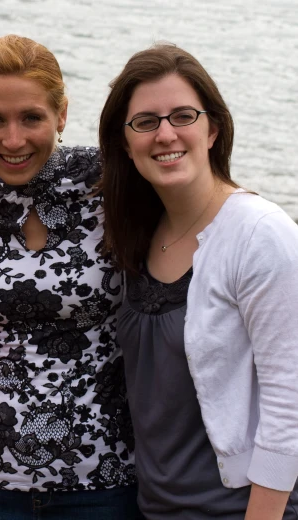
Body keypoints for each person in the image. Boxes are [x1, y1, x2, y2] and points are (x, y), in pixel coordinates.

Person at [0, 35, 141, 518]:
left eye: (32, 118)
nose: (13, 140)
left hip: (101, 472)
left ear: (61, 114)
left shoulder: (115, 187)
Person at [99, 43, 298, 518]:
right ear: (126, 144)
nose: (165, 134)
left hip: (240, 509)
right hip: (153, 507)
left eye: (183, 116)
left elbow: (289, 400)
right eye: (146, 122)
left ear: (213, 129)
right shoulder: (137, 233)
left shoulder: (259, 234)